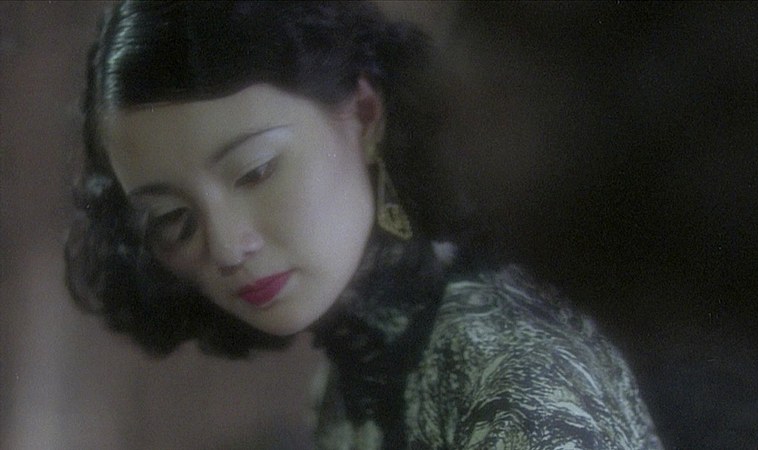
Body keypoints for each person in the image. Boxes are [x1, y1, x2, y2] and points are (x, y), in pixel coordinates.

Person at [65, 2, 663, 448]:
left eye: (256, 171)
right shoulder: (351, 370)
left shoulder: (510, 379)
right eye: (172, 217)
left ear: (365, 113)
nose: (225, 247)